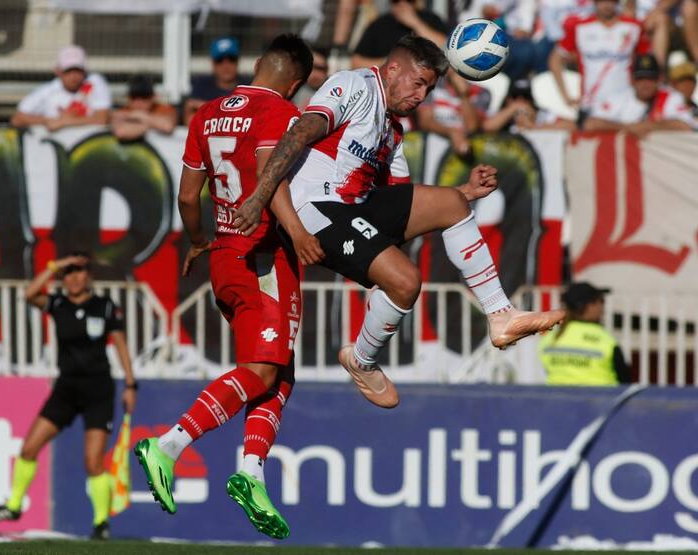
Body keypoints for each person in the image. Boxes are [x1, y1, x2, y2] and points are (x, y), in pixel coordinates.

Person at [232, 35, 564, 409]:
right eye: (418, 83)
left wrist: (466, 192)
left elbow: (403, 205)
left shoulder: (392, 130)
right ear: (392, 70)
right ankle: (362, 360)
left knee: (451, 204)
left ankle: (501, 315)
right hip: (314, 209)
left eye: (430, 88)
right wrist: (264, 201)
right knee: (406, 282)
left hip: (352, 208)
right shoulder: (353, 85)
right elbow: (297, 134)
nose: (422, 96)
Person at [134, 34, 314, 540]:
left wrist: (199, 241)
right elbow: (267, 176)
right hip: (265, 255)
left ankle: (252, 472)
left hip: (224, 257)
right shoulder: (281, 113)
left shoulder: (208, 111)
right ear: (296, 84)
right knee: (262, 370)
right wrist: (297, 233)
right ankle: (168, 445)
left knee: (279, 371)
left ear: (257, 65)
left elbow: (189, 195)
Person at [0, 253, 138, 541]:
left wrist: (130, 384)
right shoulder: (57, 303)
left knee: (93, 462)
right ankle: (14, 506)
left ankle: (101, 523)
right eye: (68, 272)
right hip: (65, 389)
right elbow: (30, 294)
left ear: (88, 276)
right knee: (29, 447)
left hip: (97, 390)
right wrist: (54, 265)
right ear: (62, 278)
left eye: (79, 271)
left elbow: (120, 344)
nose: (74, 277)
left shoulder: (104, 307)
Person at [549, 0, 650, 121]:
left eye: (611, 1)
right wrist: (566, 96)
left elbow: (646, 59)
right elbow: (555, 60)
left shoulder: (633, 27)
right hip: (591, 104)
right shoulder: (580, 27)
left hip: (626, 103)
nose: (606, 5)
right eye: (601, 1)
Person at [539, 282, 630, 385]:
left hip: (557, 398)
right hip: (603, 398)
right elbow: (624, 381)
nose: (602, 307)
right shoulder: (605, 340)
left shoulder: (550, 338)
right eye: (601, 301)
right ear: (589, 306)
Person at [584, 53, 695, 135]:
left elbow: (686, 126)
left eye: (650, 78)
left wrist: (648, 126)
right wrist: (630, 129)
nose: (645, 84)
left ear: (659, 80)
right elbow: (591, 124)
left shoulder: (671, 97)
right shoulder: (617, 98)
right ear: (632, 80)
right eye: (640, 78)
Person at [11, 45, 111, 131]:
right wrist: (47, 121)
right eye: (68, 71)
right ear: (58, 71)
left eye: (78, 71)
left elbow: (101, 119)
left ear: (85, 71)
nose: (74, 76)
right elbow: (17, 119)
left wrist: (64, 122)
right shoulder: (48, 91)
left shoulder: (95, 82)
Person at [351, 0, 449, 69]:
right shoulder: (379, 24)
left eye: (408, 0)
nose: (402, 4)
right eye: (396, 1)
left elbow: (446, 48)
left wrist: (415, 22)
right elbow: (356, 62)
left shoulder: (431, 19)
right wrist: (391, 62)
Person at [416, 74, 491, 155]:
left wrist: (464, 95)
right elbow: (425, 121)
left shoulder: (482, 92)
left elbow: (472, 128)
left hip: (464, 150)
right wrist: (451, 132)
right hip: (430, 149)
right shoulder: (432, 84)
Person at [183, 37, 242, 126]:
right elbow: (190, 121)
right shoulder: (201, 87)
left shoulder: (249, 86)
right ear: (212, 63)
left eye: (231, 59)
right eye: (220, 60)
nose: (226, 66)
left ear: (238, 62)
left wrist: (205, 106)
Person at [483, 78, 577, 131]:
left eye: (525, 97)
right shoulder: (500, 114)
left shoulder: (541, 114)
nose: (521, 102)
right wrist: (512, 109)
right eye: (516, 97)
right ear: (508, 99)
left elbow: (572, 126)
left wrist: (534, 127)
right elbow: (485, 128)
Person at [111, 75, 178, 140]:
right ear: (128, 98)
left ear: (154, 97)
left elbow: (168, 127)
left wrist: (139, 116)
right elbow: (121, 132)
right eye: (134, 97)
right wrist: (150, 124)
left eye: (144, 97)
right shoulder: (124, 111)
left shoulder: (165, 109)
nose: (139, 102)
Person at [292, 45, 330, 111]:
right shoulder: (292, 90)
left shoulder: (331, 96)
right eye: (311, 67)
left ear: (327, 70)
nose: (314, 73)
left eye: (320, 69)